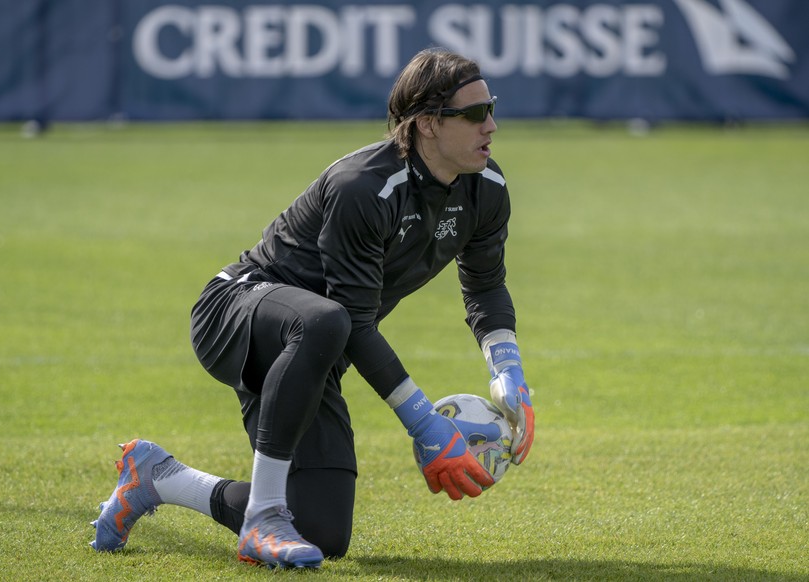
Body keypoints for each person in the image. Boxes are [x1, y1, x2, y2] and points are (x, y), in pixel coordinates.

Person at [89, 47, 535, 569]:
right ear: (429, 124)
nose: (492, 125)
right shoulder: (363, 187)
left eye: (492, 108)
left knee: (322, 533)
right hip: (236, 311)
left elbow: (484, 285)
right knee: (328, 319)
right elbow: (354, 320)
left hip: (313, 348)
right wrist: (425, 424)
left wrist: (508, 371)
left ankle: (158, 478)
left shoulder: (488, 188)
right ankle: (261, 520)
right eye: (476, 113)